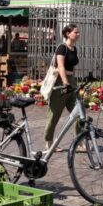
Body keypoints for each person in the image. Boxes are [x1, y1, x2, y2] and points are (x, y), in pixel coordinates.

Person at [43, 24, 82, 152]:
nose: (78, 34)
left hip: (71, 81)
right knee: (55, 113)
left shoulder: (74, 49)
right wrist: (66, 84)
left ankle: (79, 142)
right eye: (75, 32)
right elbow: (60, 66)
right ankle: (49, 143)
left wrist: (73, 82)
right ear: (67, 33)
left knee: (78, 110)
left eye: (78, 32)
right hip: (61, 83)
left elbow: (72, 67)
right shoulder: (62, 48)